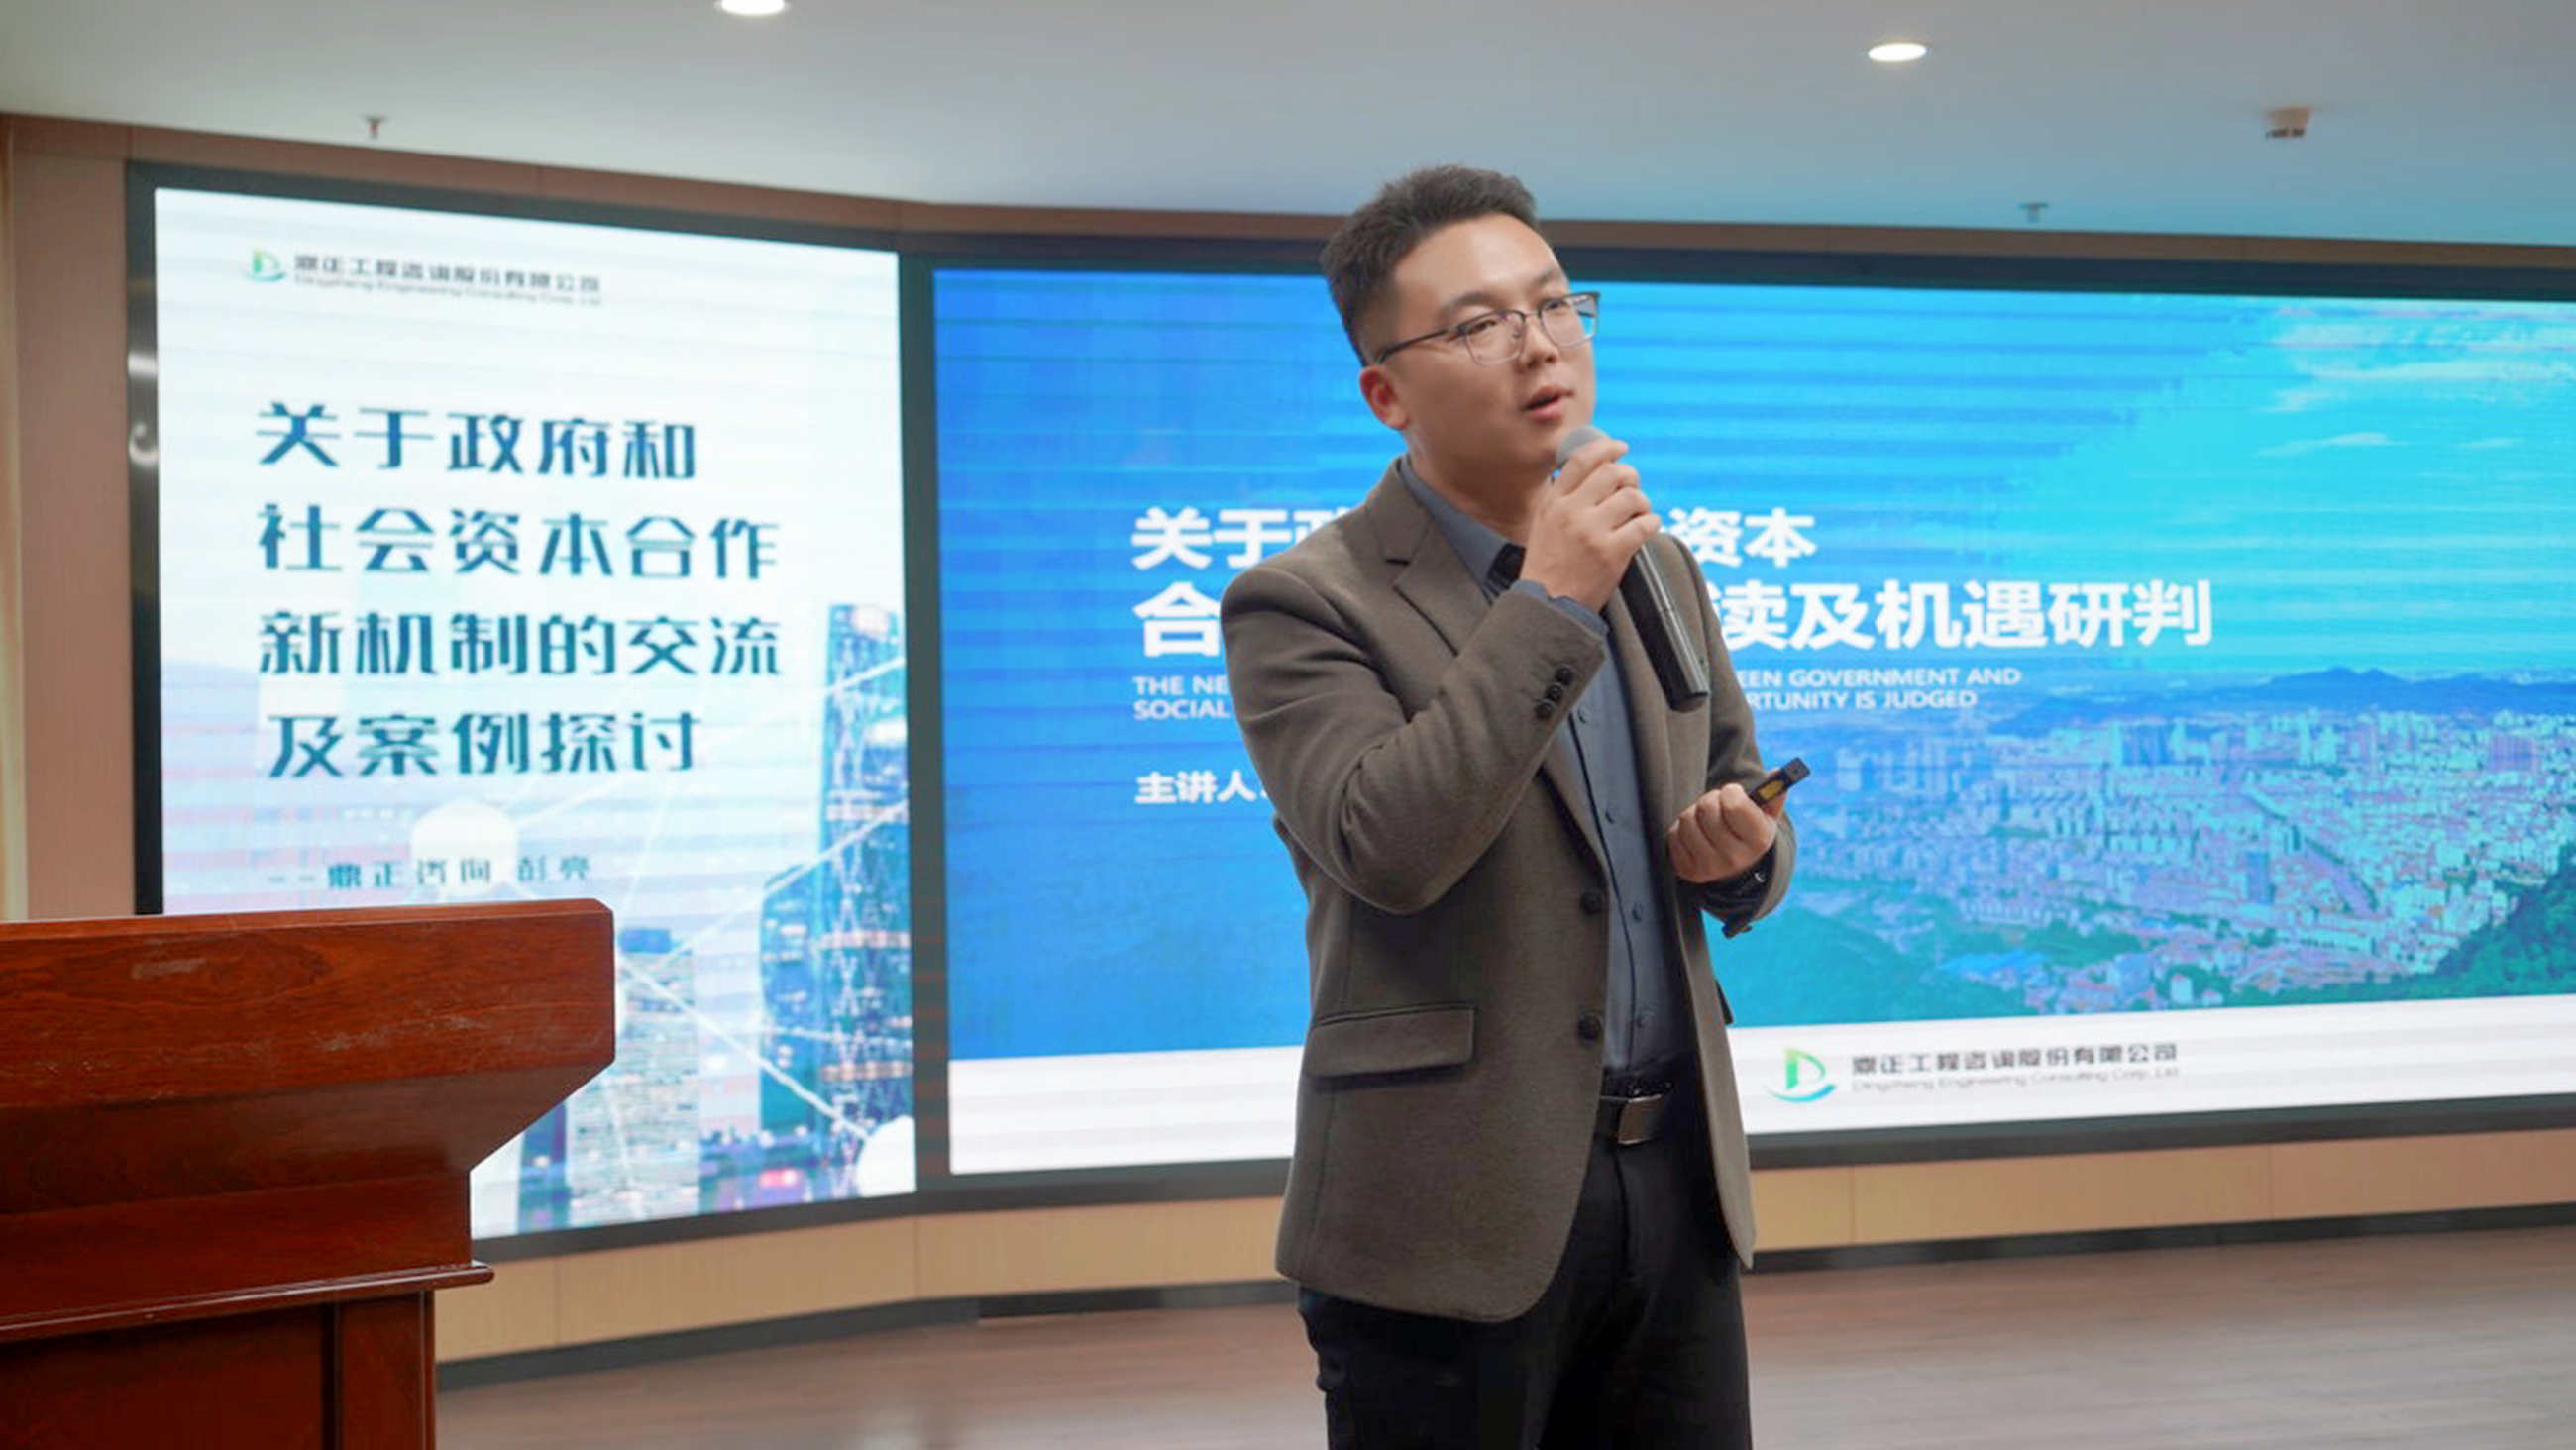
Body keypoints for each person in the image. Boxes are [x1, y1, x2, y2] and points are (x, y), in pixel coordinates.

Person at [1220, 163, 1796, 1448]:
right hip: (1449, 1207)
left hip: (1677, 1184)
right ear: (1386, 394)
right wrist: (1550, 599)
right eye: (1480, 324)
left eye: (1555, 304)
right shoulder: (1304, 602)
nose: (1540, 345)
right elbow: (1387, 844)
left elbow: (1736, 777)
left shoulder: (1657, 563)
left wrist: (1746, 859)